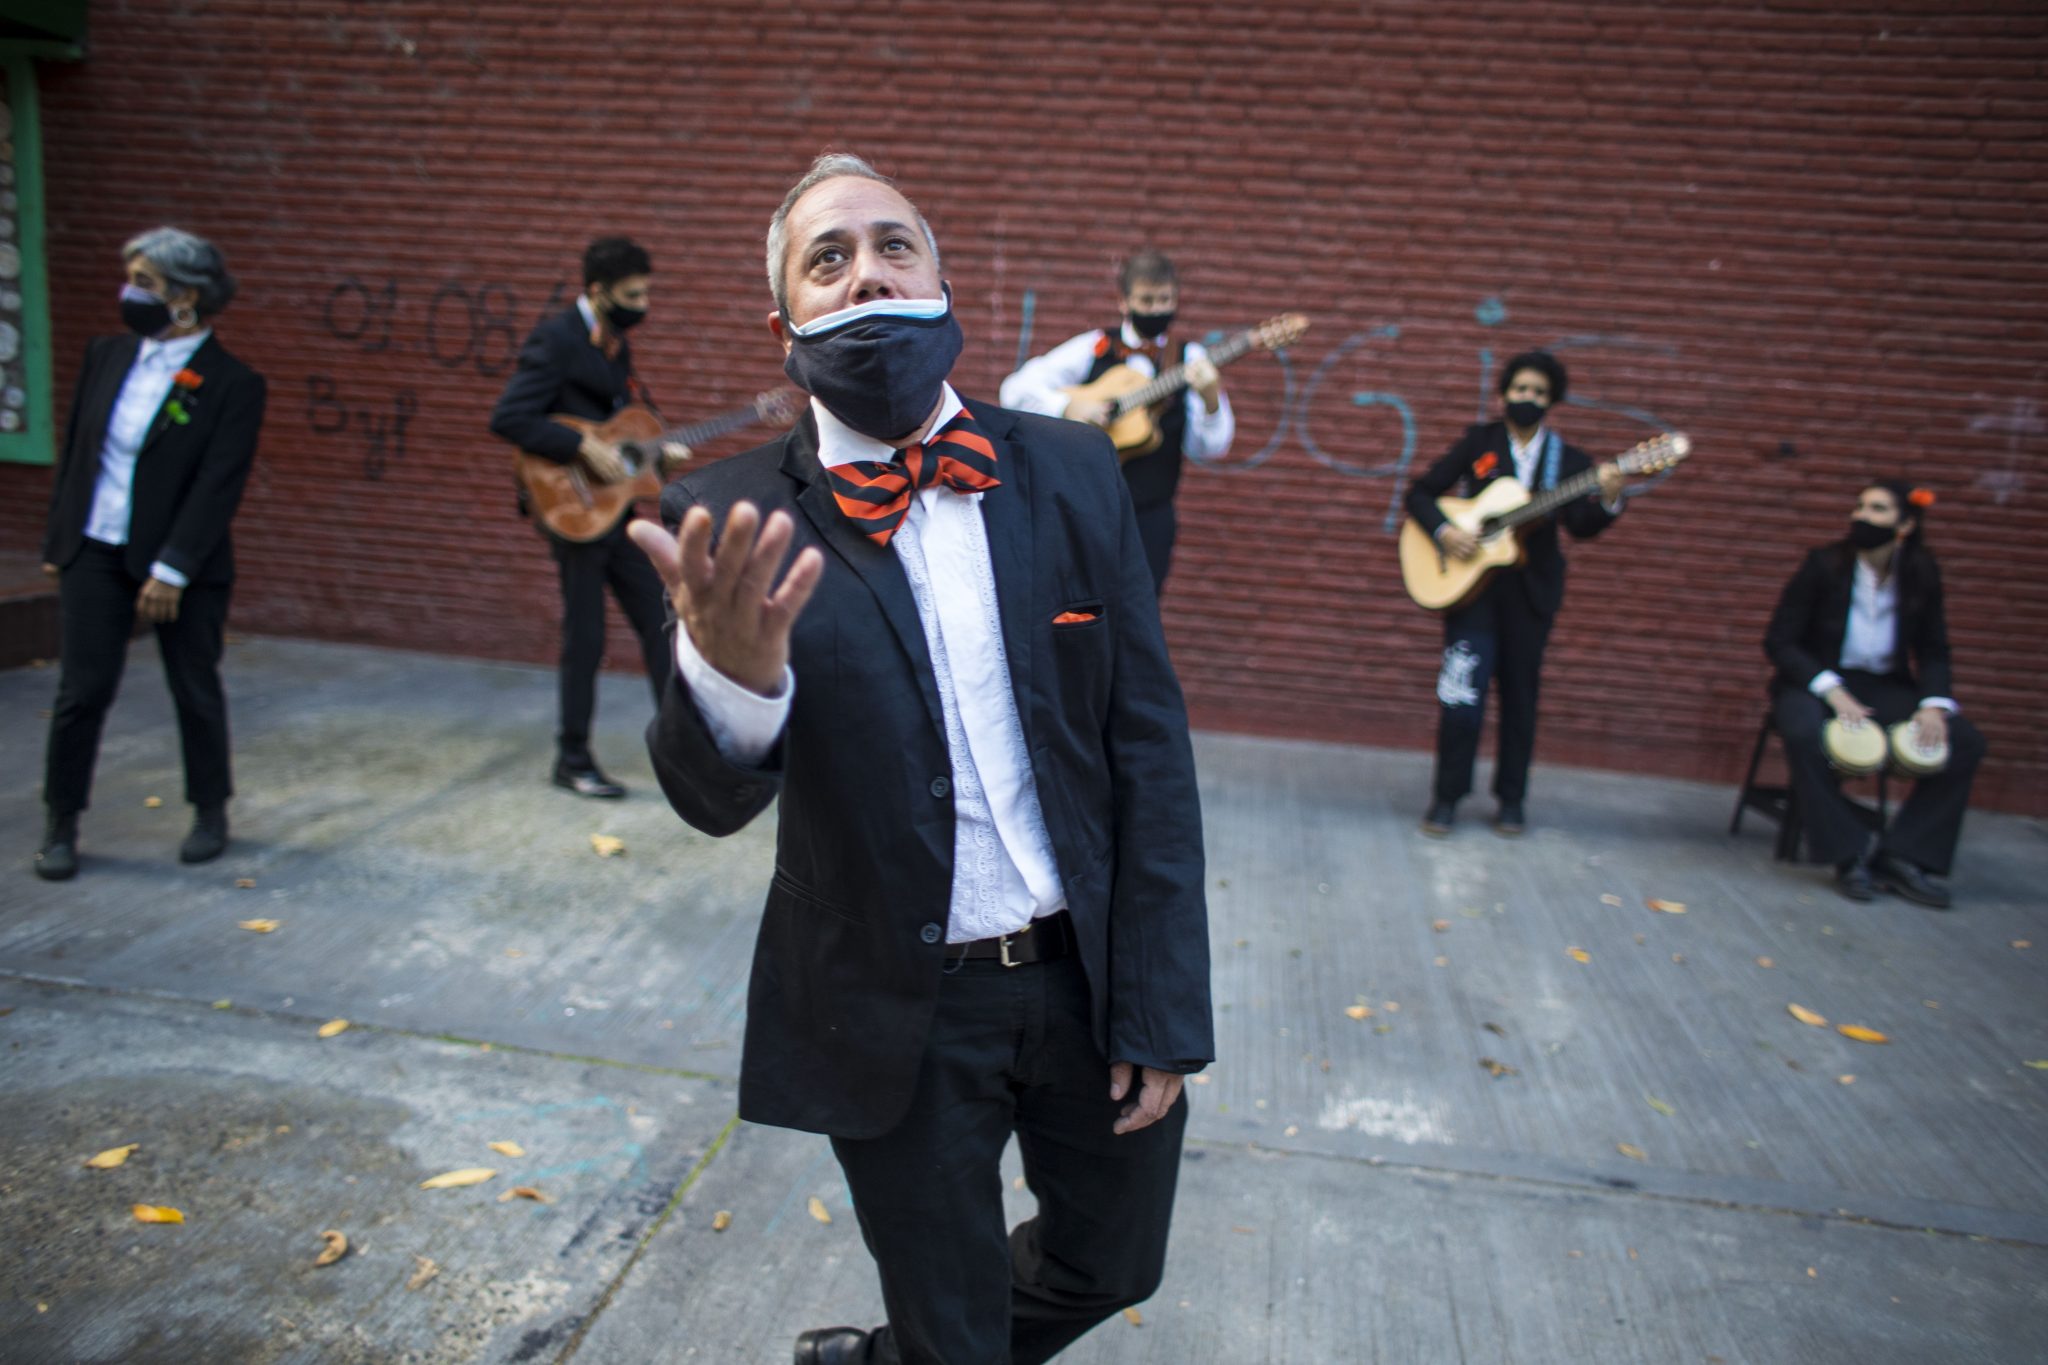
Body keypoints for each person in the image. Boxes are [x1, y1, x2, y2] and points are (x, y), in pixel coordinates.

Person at [629, 153, 1212, 1365]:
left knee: (1114, 1263)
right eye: (826, 258)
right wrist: (732, 684)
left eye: (893, 244)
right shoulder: (728, 520)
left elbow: (1146, 747)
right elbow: (705, 799)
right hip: (896, 1002)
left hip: (1084, 977)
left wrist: (1161, 1002)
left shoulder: (1069, 469)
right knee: (956, 1331)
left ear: (941, 282)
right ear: (784, 323)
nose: (867, 273)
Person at [35, 227, 267, 880]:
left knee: (193, 687)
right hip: (95, 548)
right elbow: (77, 455)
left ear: (186, 296)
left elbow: (218, 484)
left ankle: (210, 810)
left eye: (144, 282)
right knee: (82, 691)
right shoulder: (106, 355)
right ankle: (60, 821)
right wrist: (59, 541)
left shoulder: (232, 383)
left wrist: (173, 568)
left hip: (181, 562)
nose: (129, 293)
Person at [1405, 350, 1624, 837]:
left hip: (1530, 596)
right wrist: (1446, 532)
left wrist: (1609, 496)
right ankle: (1447, 796)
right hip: (1471, 594)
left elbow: (1582, 525)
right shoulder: (1479, 443)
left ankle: (1511, 799)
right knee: (1461, 697)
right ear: (1504, 393)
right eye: (1521, 389)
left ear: (1552, 401)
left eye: (1539, 393)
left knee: (1521, 700)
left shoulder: (1568, 461)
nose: (1529, 398)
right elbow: (1420, 492)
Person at [489, 236, 679, 798]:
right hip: (572, 509)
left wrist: (656, 454)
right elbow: (510, 417)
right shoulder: (556, 339)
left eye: (645, 293)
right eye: (632, 295)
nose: (642, 305)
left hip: (613, 508)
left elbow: (617, 421)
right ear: (598, 291)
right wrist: (580, 447)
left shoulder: (614, 342)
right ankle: (572, 760)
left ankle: (684, 754)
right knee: (586, 636)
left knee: (662, 620)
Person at [1763, 480, 1983, 907]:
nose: (1860, 516)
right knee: (1805, 733)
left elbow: (1934, 649)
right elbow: (1781, 642)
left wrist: (1934, 705)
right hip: (1816, 683)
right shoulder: (1824, 565)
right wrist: (1831, 690)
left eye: (1877, 509)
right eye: (1860, 506)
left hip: (1884, 685)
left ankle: (1904, 855)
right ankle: (1848, 853)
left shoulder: (1921, 573)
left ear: (1905, 525)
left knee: (1966, 742)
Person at [998, 248, 1233, 595]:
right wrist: (1068, 406)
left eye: (1165, 300)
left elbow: (1212, 448)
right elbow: (1014, 390)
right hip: (1084, 511)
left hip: (1149, 518)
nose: (1156, 310)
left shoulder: (1191, 360)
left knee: (1140, 612)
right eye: (1147, 301)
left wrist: (1211, 398)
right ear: (1124, 301)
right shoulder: (1094, 346)